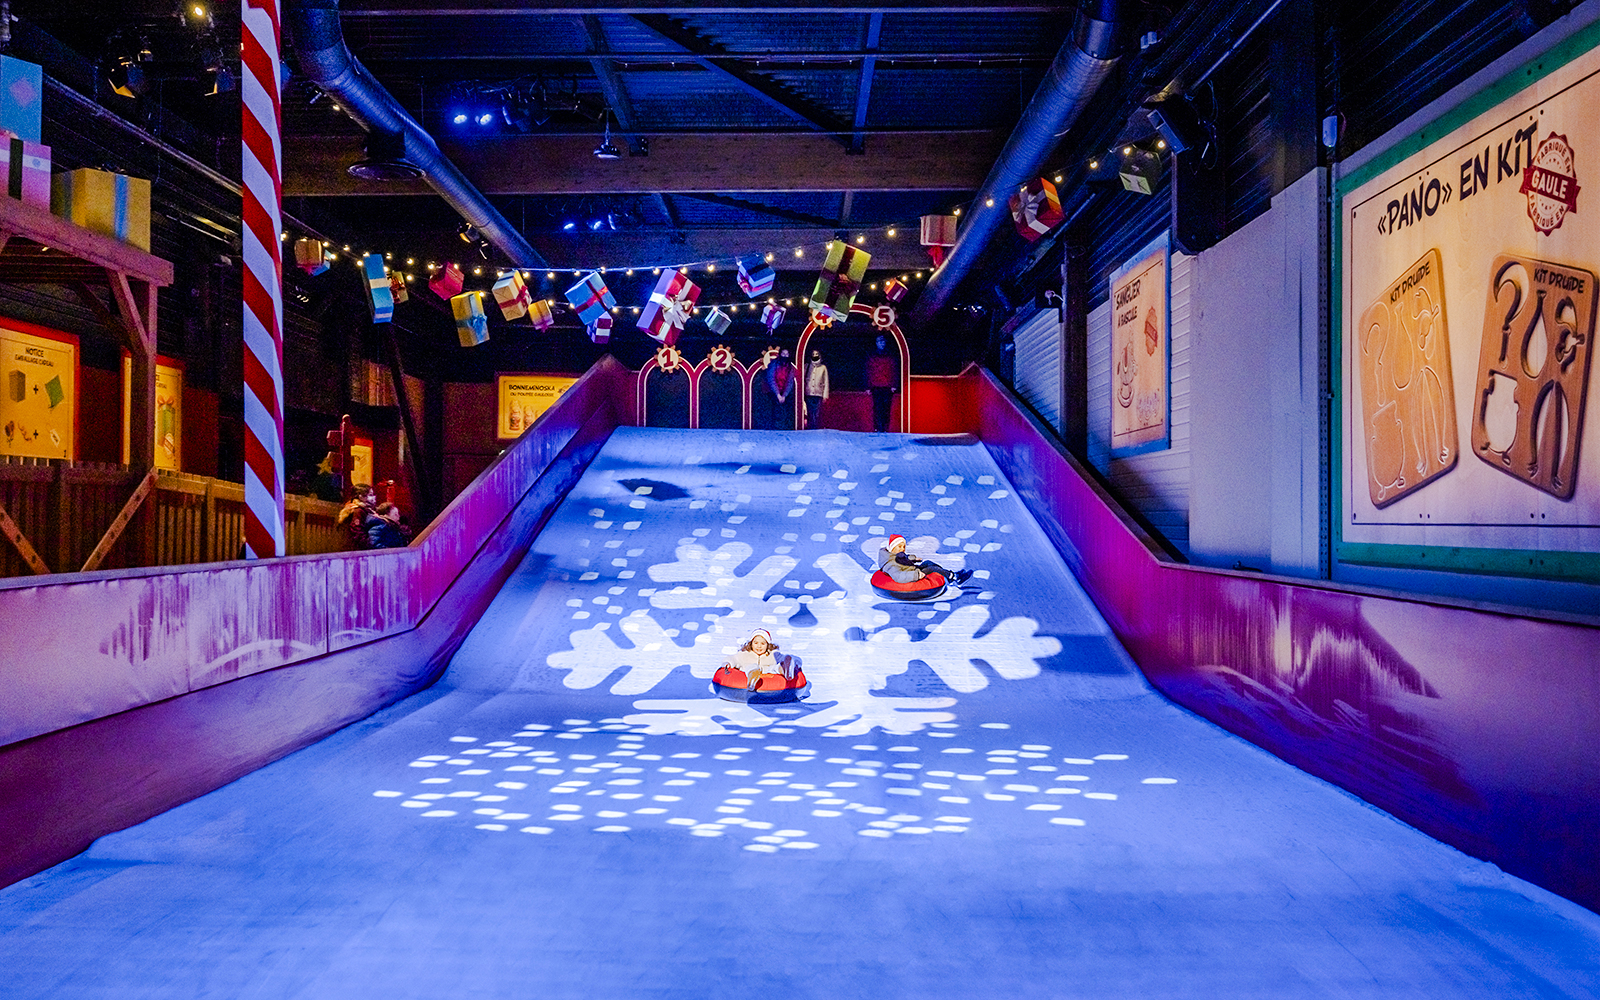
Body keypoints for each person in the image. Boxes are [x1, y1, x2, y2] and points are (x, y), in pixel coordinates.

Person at [877, 534, 972, 585]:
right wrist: (916, 575)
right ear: (892, 548)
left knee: (928, 562)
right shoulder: (890, 564)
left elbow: (903, 558)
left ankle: (948, 573)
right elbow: (898, 576)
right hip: (911, 573)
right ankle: (955, 578)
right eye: (899, 546)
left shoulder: (894, 555)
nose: (902, 549)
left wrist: (913, 558)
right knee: (931, 569)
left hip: (910, 568)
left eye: (903, 546)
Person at [724, 628, 796, 691]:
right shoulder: (744, 655)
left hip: (767, 671)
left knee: (776, 667)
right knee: (753, 667)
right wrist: (728, 663)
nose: (759, 646)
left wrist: (787, 661)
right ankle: (752, 679)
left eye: (763, 643)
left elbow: (782, 658)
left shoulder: (772, 654)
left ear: (768, 645)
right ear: (751, 643)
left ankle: (786, 671)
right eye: (756, 643)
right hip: (747, 671)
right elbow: (733, 658)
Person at [866, 334, 898, 432]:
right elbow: (868, 371)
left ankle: (885, 428)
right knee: (877, 408)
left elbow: (894, 370)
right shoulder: (872, 356)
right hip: (876, 386)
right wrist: (868, 386)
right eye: (880, 342)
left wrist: (894, 384)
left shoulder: (890, 356)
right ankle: (877, 428)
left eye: (883, 342)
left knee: (886, 408)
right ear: (876, 343)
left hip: (887, 386)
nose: (882, 344)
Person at [337, 483, 378, 550]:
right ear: (361, 497)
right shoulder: (358, 511)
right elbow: (357, 532)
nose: (374, 497)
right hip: (357, 550)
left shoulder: (367, 509)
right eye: (370, 495)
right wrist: (369, 544)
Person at [765, 348, 797, 430]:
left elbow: (790, 381)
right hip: (773, 391)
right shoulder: (774, 364)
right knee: (773, 410)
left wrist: (784, 395)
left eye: (787, 354)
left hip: (784, 392)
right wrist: (777, 394)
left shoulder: (790, 367)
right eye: (783, 353)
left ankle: (783, 428)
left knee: (784, 411)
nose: (785, 356)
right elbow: (771, 379)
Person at [804, 348, 830, 429]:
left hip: (818, 393)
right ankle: (810, 427)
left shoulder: (823, 368)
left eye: (816, 355)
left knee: (817, 412)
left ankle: (816, 427)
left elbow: (826, 381)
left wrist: (825, 394)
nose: (815, 356)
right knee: (809, 412)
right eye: (813, 355)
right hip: (808, 393)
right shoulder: (806, 366)